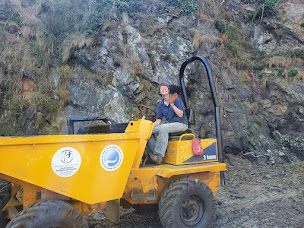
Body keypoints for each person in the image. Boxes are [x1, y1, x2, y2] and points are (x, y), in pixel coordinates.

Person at [148, 83, 188, 164]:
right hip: (170, 125)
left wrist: (172, 104)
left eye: (165, 88)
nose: (163, 89)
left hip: (181, 124)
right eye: (161, 89)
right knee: (148, 131)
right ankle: (154, 153)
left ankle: (159, 156)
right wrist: (149, 126)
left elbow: (180, 114)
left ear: (168, 90)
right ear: (159, 92)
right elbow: (158, 121)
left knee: (164, 128)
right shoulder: (160, 105)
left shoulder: (175, 99)